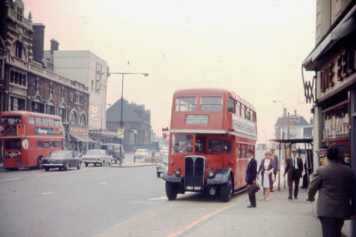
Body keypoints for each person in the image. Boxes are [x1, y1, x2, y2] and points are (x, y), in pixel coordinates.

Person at [307, 146, 356, 237]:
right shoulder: (349, 172)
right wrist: (353, 209)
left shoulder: (321, 170)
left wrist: (310, 198)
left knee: (329, 233)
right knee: (336, 231)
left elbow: (312, 187)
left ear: (328, 156)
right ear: (341, 157)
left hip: (326, 211)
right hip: (342, 210)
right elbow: (353, 192)